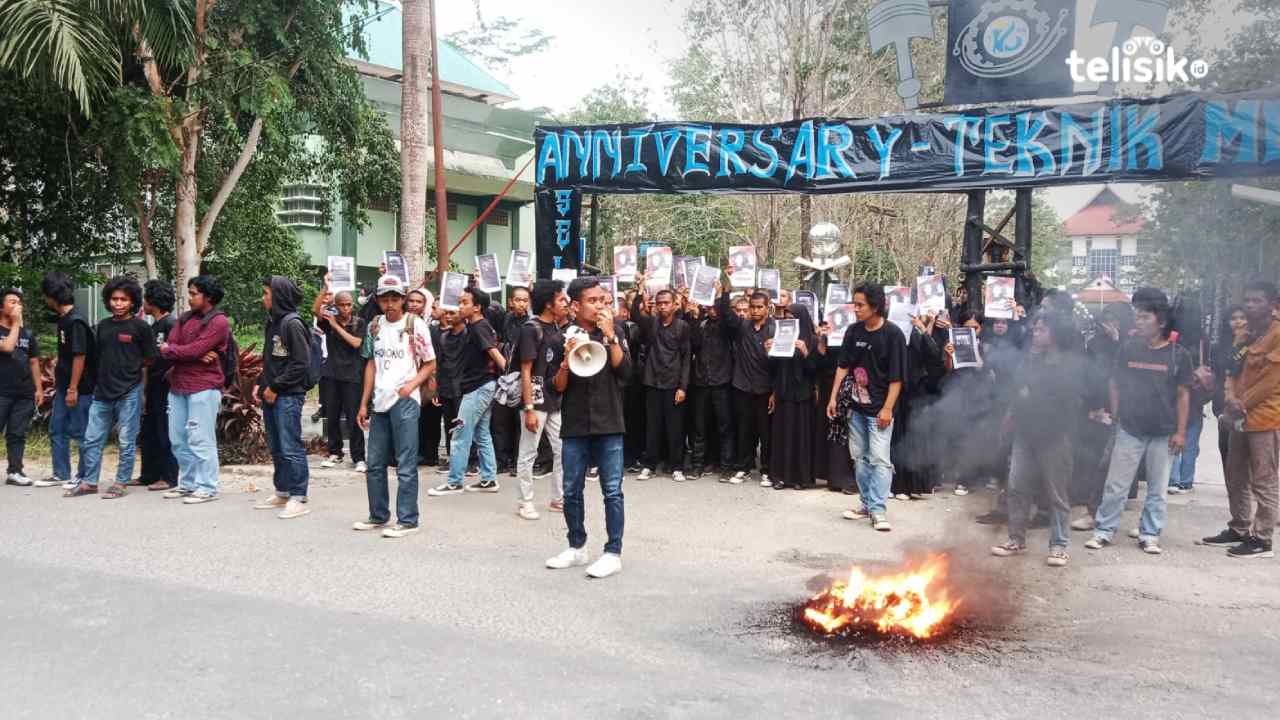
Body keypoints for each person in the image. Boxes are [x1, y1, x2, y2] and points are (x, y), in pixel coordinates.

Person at [1086, 288, 1191, 555]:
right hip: (1130, 428)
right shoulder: (1129, 348)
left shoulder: (1178, 355)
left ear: (1161, 322)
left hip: (1163, 433)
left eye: (1145, 317)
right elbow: (1115, 382)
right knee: (1116, 485)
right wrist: (1117, 413)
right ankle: (1103, 530)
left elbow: (1182, 395)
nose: (1138, 321)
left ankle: (1150, 533)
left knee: (1157, 488)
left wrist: (1180, 432)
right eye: (1137, 317)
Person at [545, 277, 632, 579]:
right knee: (571, 489)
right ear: (576, 305)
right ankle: (576, 546)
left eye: (603, 300)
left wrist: (610, 336)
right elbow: (555, 388)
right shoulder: (560, 338)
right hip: (575, 422)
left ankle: (613, 552)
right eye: (593, 301)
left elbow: (626, 372)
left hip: (609, 421)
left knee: (612, 490)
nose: (600, 306)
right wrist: (567, 360)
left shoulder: (616, 330)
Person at [990, 312, 1083, 567]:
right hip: (1024, 434)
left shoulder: (1067, 365)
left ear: (1054, 334)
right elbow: (1017, 392)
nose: (1035, 333)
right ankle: (1016, 539)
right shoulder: (1028, 360)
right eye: (1035, 329)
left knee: (1056, 494)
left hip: (1054, 437)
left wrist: (1034, 398)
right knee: (1017, 488)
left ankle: (1059, 545)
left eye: (1041, 330)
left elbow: (1070, 404)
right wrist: (1009, 419)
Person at [353, 274, 436, 538]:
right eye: (385, 298)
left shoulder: (415, 325)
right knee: (375, 462)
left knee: (405, 462)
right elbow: (371, 364)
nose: (390, 303)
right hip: (379, 402)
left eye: (395, 298)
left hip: (405, 402)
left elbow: (430, 363)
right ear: (377, 301)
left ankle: (408, 519)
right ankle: (378, 515)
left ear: (402, 300)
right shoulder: (374, 326)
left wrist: (411, 387)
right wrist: (363, 403)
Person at [1201, 281, 1280, 559]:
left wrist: (1240, 404)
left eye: (1257, 301)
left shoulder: (1277, 334)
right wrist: (1229, 398)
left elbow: (1271, 382)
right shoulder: (1245, 335)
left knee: (1264, 480)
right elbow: (1231, 371)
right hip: (1238, 417)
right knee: (1236, 475)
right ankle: (1239, 527)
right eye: (1247, 300)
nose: (1249, 305)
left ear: (1272, 305)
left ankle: (1262, 539)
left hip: (1265, 419)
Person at [66, 277, 156, 499]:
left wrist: (135, 380)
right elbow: (94, 358)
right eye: (114, 299)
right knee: (91, 439)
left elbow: (149, 359)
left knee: (126, 440)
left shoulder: (141, 327)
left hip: (129, 392)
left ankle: (121, 482)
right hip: (101, 393)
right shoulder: (102, 327)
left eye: (123, 299)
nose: (118, 303)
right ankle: (89, 482)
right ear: (107, 300)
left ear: (132, 301)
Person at [828, 283, 905, 532]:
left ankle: (879, 510)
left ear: (875, 306)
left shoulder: (893, 335)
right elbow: (842, 366)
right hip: (856, 409)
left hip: (879, 410)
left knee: (880, 460)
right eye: (854, 304)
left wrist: (887, 409)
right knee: (859, 459)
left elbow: (897, 379)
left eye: (860, 305)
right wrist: (833, 398)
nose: (855, 309)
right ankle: (866, 504)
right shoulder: (853, 332)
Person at [159, 275, 231, 503]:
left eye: (193, 293)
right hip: (178, 385)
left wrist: (183, 351)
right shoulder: (183, 318)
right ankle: (187, 483)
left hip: (204, 387)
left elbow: (189, 349)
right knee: (178, 439)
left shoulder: (219, 321)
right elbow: (168, 347)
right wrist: (191, 353)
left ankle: (207, 487)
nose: (189, 298)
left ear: (207, 296)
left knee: (200, 439)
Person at [428, 287, 506, 496]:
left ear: (477, 307)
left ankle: (455, 481)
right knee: (482, 434)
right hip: (482, 386)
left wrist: (509, 377)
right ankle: (489, 479)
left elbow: (495, 355)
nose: (459, 306)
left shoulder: (479, 327)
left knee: (460, 435)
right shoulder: (475, 325)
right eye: (459, 302)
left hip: (479, 388)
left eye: (464, 303)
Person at [253, 276, 313, 519]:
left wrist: (275, 387)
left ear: (278, 296)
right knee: (276, 446)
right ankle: (283, 490)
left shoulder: (293, 324)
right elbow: (272, 359)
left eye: (267, 293)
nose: (263, 298)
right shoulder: (273, 322)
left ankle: (299, 496)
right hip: (272, 393)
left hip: (288, 395)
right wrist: (261, 384)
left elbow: (301, 363)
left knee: (291, 446)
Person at [515, 280, 569, 520]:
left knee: (562, 449)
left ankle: (558, 498)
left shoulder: (558, 329)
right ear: (549, 304)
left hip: (554, 399)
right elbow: (526, 370)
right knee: (529, 452)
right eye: (561, 299)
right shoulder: (530, 329)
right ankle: (525, 501)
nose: (566, 303)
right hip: (534, 399)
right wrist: (528, 408)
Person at [631, 281, 692, 482]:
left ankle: (677, 466)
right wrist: (640, 293)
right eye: (659, 303)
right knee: (653, 426)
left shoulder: (682, 326)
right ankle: (649, 465)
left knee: (675, 428)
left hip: (674, 384)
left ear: (675, 304)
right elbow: (636, 316)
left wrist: (683, 387)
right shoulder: (652, 323)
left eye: (666, 303)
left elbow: (686, 358)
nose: (663, 306)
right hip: (652, 381)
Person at [39, 271, 95, 489]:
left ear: (52, 296)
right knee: (57, 429)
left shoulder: (76, 321)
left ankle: (83, 475)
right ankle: (60, 473)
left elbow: (79, 357)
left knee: (81, 432)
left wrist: (73, 389)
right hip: (63, 386)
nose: (45, 300)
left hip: (79, 388)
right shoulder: (64, 320)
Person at [718, 279, 775, 485]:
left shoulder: (776, 329)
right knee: (744, 429)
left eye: (760, 307)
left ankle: (767, 470)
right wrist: (726, 290)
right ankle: (743, 467)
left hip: (765, 388)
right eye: (753, 307)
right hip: (742, 386)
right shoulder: (743, 326)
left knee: (765, 432)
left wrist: (774, 392)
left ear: (768, 307)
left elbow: (781, 365)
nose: (756, 311)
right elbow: (726, 314)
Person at [313, 275, 367, 472]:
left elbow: (356, 343)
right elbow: (315, 311)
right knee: (333, 416)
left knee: (354, 417)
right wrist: (325, 288)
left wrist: (336, 327)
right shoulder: (329, 320)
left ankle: (359, 456)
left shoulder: (359, 323)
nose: (346, 308)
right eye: (342, 305)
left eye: (349, 304)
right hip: (332, 375)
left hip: (352, 376)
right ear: (335, 305)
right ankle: (335, 452)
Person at [766, 303, 817, 490]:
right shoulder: (780, 337)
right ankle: (780, 476)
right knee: (781, 435)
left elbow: (815, 370)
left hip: (803, 394)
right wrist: (769, 351)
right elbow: (774, 369)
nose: (788, 321)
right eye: (785, 318)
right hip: (783, 392)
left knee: (800, 436)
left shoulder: (811, 339)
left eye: (792, 318)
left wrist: (805, 352)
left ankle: (800, 478)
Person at [134, 280, 178, 491]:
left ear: (153, 300)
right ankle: (148, 474)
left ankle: (169, 477)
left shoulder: (172, 324)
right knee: (149, 431)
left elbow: (179, 354)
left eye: (145, 298)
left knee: (165, 431)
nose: (143, 303)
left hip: (167, 387)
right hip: (151, 385)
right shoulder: (152, 327)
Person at [689, 294, 734, 480]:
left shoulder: (727, 326)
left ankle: (726, 467)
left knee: (725, 427)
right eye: (709, 307)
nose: (712, 311)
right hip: (702, 382)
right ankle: (697, 465)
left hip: (722, 382)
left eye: (715, 307)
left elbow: (729, 319)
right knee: (700, 428)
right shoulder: (702, 324)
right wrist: (695, 317)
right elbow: (694, 344)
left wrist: (724, 292)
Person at [0, 288, 41, 487]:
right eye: (11, 301)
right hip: (1, 392)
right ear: (1, 307)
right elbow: (7, 347)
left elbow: (34, 362)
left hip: (24, 393)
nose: (17, 305)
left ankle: (15, 471)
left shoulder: (27, 334)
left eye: (18, 302)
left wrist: (39, 389)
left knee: (17, 433)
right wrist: (16, 323)